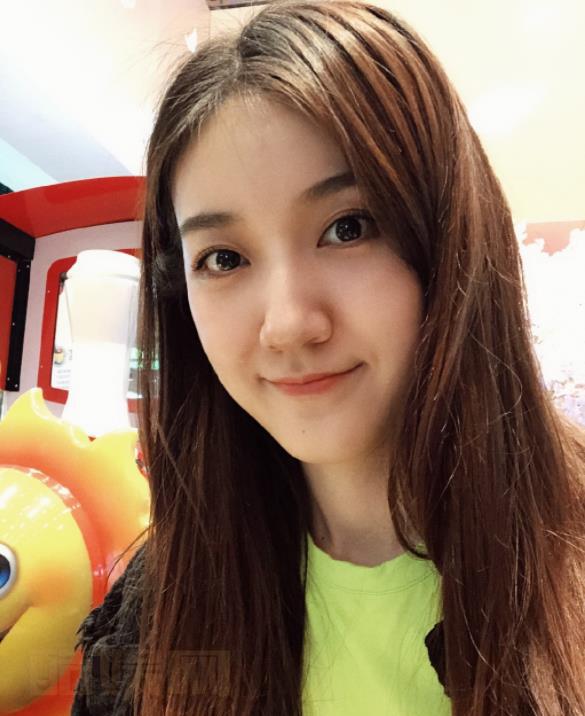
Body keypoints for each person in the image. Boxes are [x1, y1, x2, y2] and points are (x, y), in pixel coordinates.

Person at [71, 1, 585, 714]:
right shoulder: (162, 601)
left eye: (349, 227)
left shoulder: (565, 569)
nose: (287, 324)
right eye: (223, 258)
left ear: (452, 237)